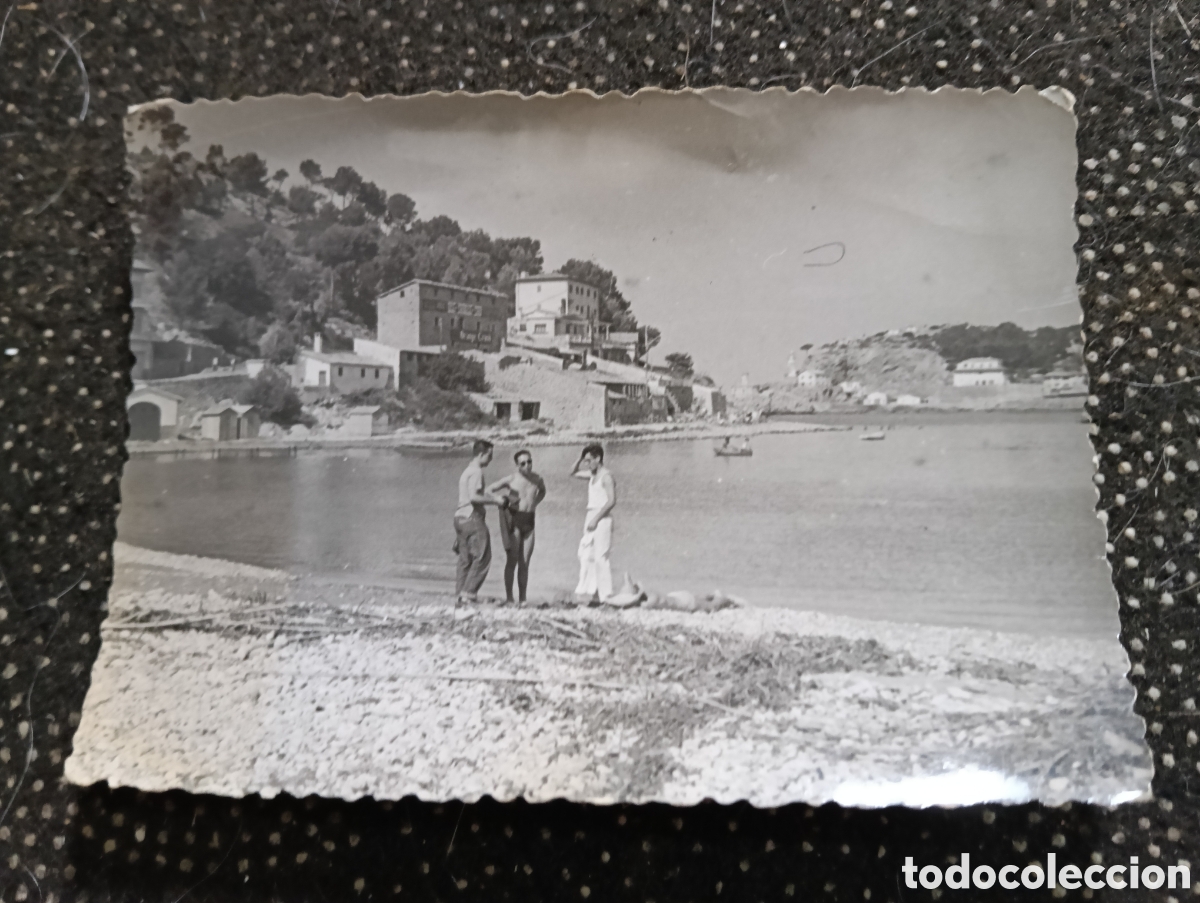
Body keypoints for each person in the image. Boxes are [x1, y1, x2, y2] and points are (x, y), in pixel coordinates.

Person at [487, 449, 547, 603]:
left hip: (529, 521)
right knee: (512, 560)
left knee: (525, 563)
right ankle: (509, 598)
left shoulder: (537, 478)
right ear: (517, 465)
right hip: (515, 520)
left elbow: (542, 491)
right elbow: (489, 490)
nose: (527, 465)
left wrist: (535, 503)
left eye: (529, 462)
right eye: (523, 463)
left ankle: (523, 599)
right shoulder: (511, 479)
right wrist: (499, 499)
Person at [453, 439, 503, 603]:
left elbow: (469, 495)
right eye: (489, 455)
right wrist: (495, 500)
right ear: (481, 454)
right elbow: (474, 497)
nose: (491, 459)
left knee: (465, 560)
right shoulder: (476, 472)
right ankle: (468, 594)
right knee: (483, 556)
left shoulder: (467, 471)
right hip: (472, 517)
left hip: (460, 517)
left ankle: (460, 595)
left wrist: (489, 496)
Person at [570, 443, 617, 603]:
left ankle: (606, 595)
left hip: (602, 517)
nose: (587, 464)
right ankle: (594, 593)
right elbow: (572, 472)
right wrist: (580, 458)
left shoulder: (606, 476)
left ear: (598, 458)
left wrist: (596, 519)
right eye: (585, 461)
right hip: (591, 516)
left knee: (601, 557)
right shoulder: (592, 474)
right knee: (587, 555)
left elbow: (611, 501)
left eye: (589, 460)